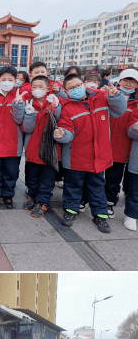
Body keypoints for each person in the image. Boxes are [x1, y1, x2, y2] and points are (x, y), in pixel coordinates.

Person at [54, 74, 126, 233]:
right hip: (76, 158)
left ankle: (100, 215)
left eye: (77, 85)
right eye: (71, 88)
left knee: (98, 187)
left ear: (83, 84)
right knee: (73, 186)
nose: (75, 89)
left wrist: (116, 96)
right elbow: (68, 131)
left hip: (99, 157)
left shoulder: (101, 98)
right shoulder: (68, 107)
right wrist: (61, 134)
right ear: (66, 91)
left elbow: (119, 111)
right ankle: (71, 211)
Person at [0, 66, 36, 208]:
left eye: (10, 79)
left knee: (10, 172)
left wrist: (18, 105)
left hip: (13, 143)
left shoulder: (20, 96)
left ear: (15, 80)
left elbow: (20, 121)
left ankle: (7, 195)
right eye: (4, 79)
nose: (7, 82)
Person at [21, 75, 62, 218]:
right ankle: (32, 196)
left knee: (47, 178)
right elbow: (26, 128)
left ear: (47, 88)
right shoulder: (28, 103)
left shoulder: (55, 102)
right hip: (33, 147)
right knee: (32, 176)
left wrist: (56, 107)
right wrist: (29, 114)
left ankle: (42, 201)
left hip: (51, 149)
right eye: (34, 87)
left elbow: (60, 122)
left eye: (41, 87)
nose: (37, 90)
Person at [107, 69, 138, 219]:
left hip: (130, 143)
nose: (128, 83)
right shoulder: (110, 94)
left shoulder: (137, 101)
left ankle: (117, 199)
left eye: (132, 81)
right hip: (112, 141)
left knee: (125, 177)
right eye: (126, 80)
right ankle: (108, 201)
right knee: (112, 175)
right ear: (119, 81)